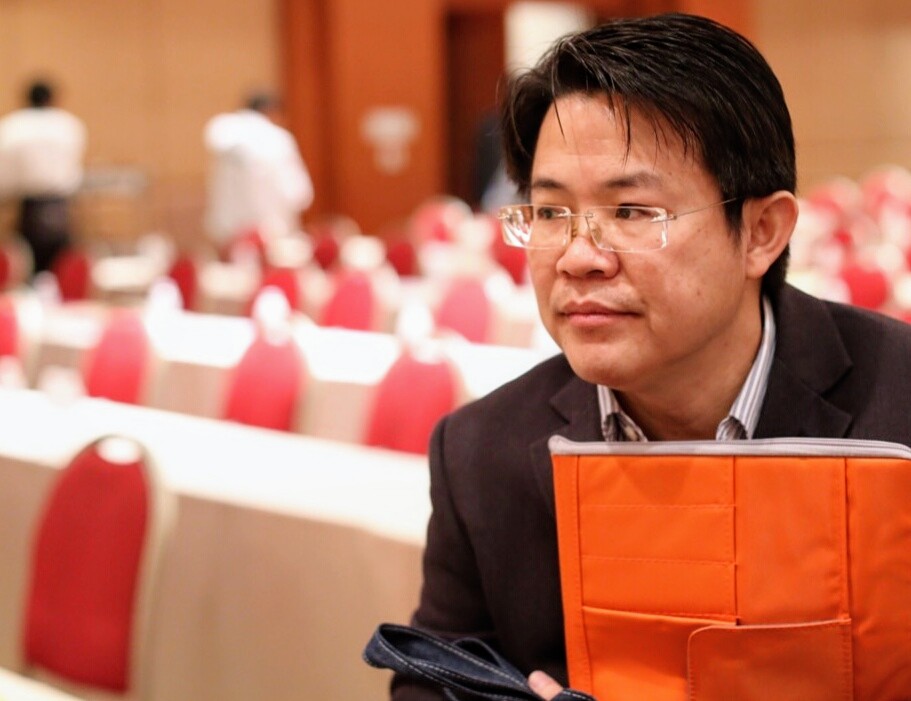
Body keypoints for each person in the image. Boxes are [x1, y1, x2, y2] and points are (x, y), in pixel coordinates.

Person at [391, 12, 911, 701]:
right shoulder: (480, 452)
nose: (578, 258)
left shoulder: (897, 401)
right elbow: (432, 680)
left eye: (632, 212)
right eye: (550, 213)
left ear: (761, 231)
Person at [203, 91, 313, 250]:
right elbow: (298, 193)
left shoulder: (224, 132)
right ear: (271, 111)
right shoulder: (278, 139)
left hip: (228, 235)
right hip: (270, 234)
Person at [0, 80, 86, 275]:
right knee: (61, 270)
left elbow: (5, 174)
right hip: (60, 207)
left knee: (30, 269)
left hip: (30, 207)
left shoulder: (13, 127)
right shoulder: (68, 125)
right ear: (51, 99)